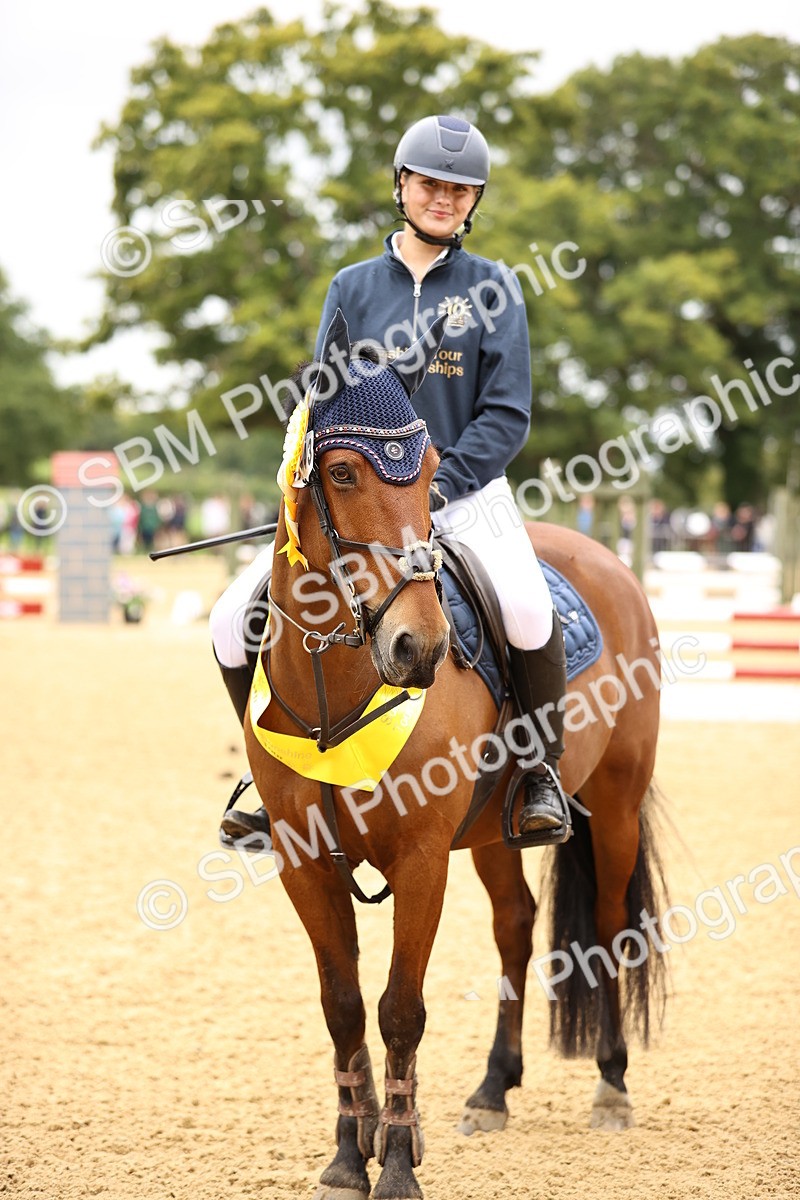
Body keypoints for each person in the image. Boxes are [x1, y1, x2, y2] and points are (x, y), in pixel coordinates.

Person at [211, 113, 570, 848]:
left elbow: (507, 414)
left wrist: (432, 492)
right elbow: (320, 402)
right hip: (360, 501)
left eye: (460, 189)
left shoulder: (496, 288)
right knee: (229, 619)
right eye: (431, 183)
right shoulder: (351, 286)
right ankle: (264, 765)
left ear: (475, 202)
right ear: (402, 186)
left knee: (530, 609)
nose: (444, 198)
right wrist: (314, 491)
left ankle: (538, 768)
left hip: (463, 493)